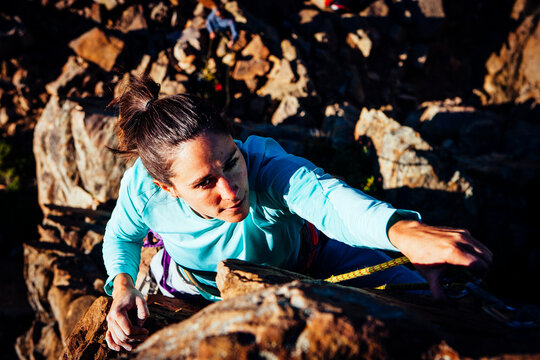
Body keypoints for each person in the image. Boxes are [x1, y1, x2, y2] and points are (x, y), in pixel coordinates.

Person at [102, 76, 492, 351]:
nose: (231, 188)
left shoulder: (265, 166)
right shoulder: (145, 190)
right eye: (205, 183)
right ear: (167, 189)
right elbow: (122, 235)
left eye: (231, 161)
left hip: (314, 260)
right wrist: (122, 286)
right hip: (194, 287)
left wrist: (404, 233)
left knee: (427, 296)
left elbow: (327, 200)